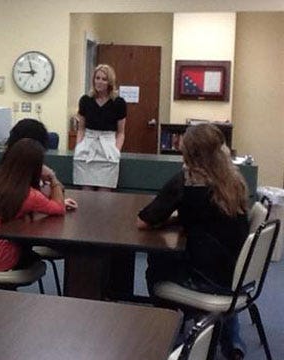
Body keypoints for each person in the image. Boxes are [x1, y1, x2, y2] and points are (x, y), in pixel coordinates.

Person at [137, 123, 249, 360]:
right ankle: (226, 335)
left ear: (189, 154)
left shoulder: (186, 182)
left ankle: (171, 332)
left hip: (206, 279)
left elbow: (145, 220)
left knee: (156, 265)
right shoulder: (234, 180)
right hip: (234, 273)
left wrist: (167, 220)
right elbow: (207, 215)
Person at [0, 138, 77, 271]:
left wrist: (52, 204)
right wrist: (52, 177)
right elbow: (59, 209)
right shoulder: (26, 194)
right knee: (32, 248)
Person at [72, 64, 127, 191]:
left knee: (105, 195)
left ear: (110, 82)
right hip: (88, 145)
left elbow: (121, 132)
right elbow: (81, 129)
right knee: (86, 193)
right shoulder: (85, 100)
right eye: (97, 78)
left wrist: (116, 151)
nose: (100, 82)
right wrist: (78, 146)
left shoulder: (118, 103)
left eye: (104, 79)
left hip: (108, 147)